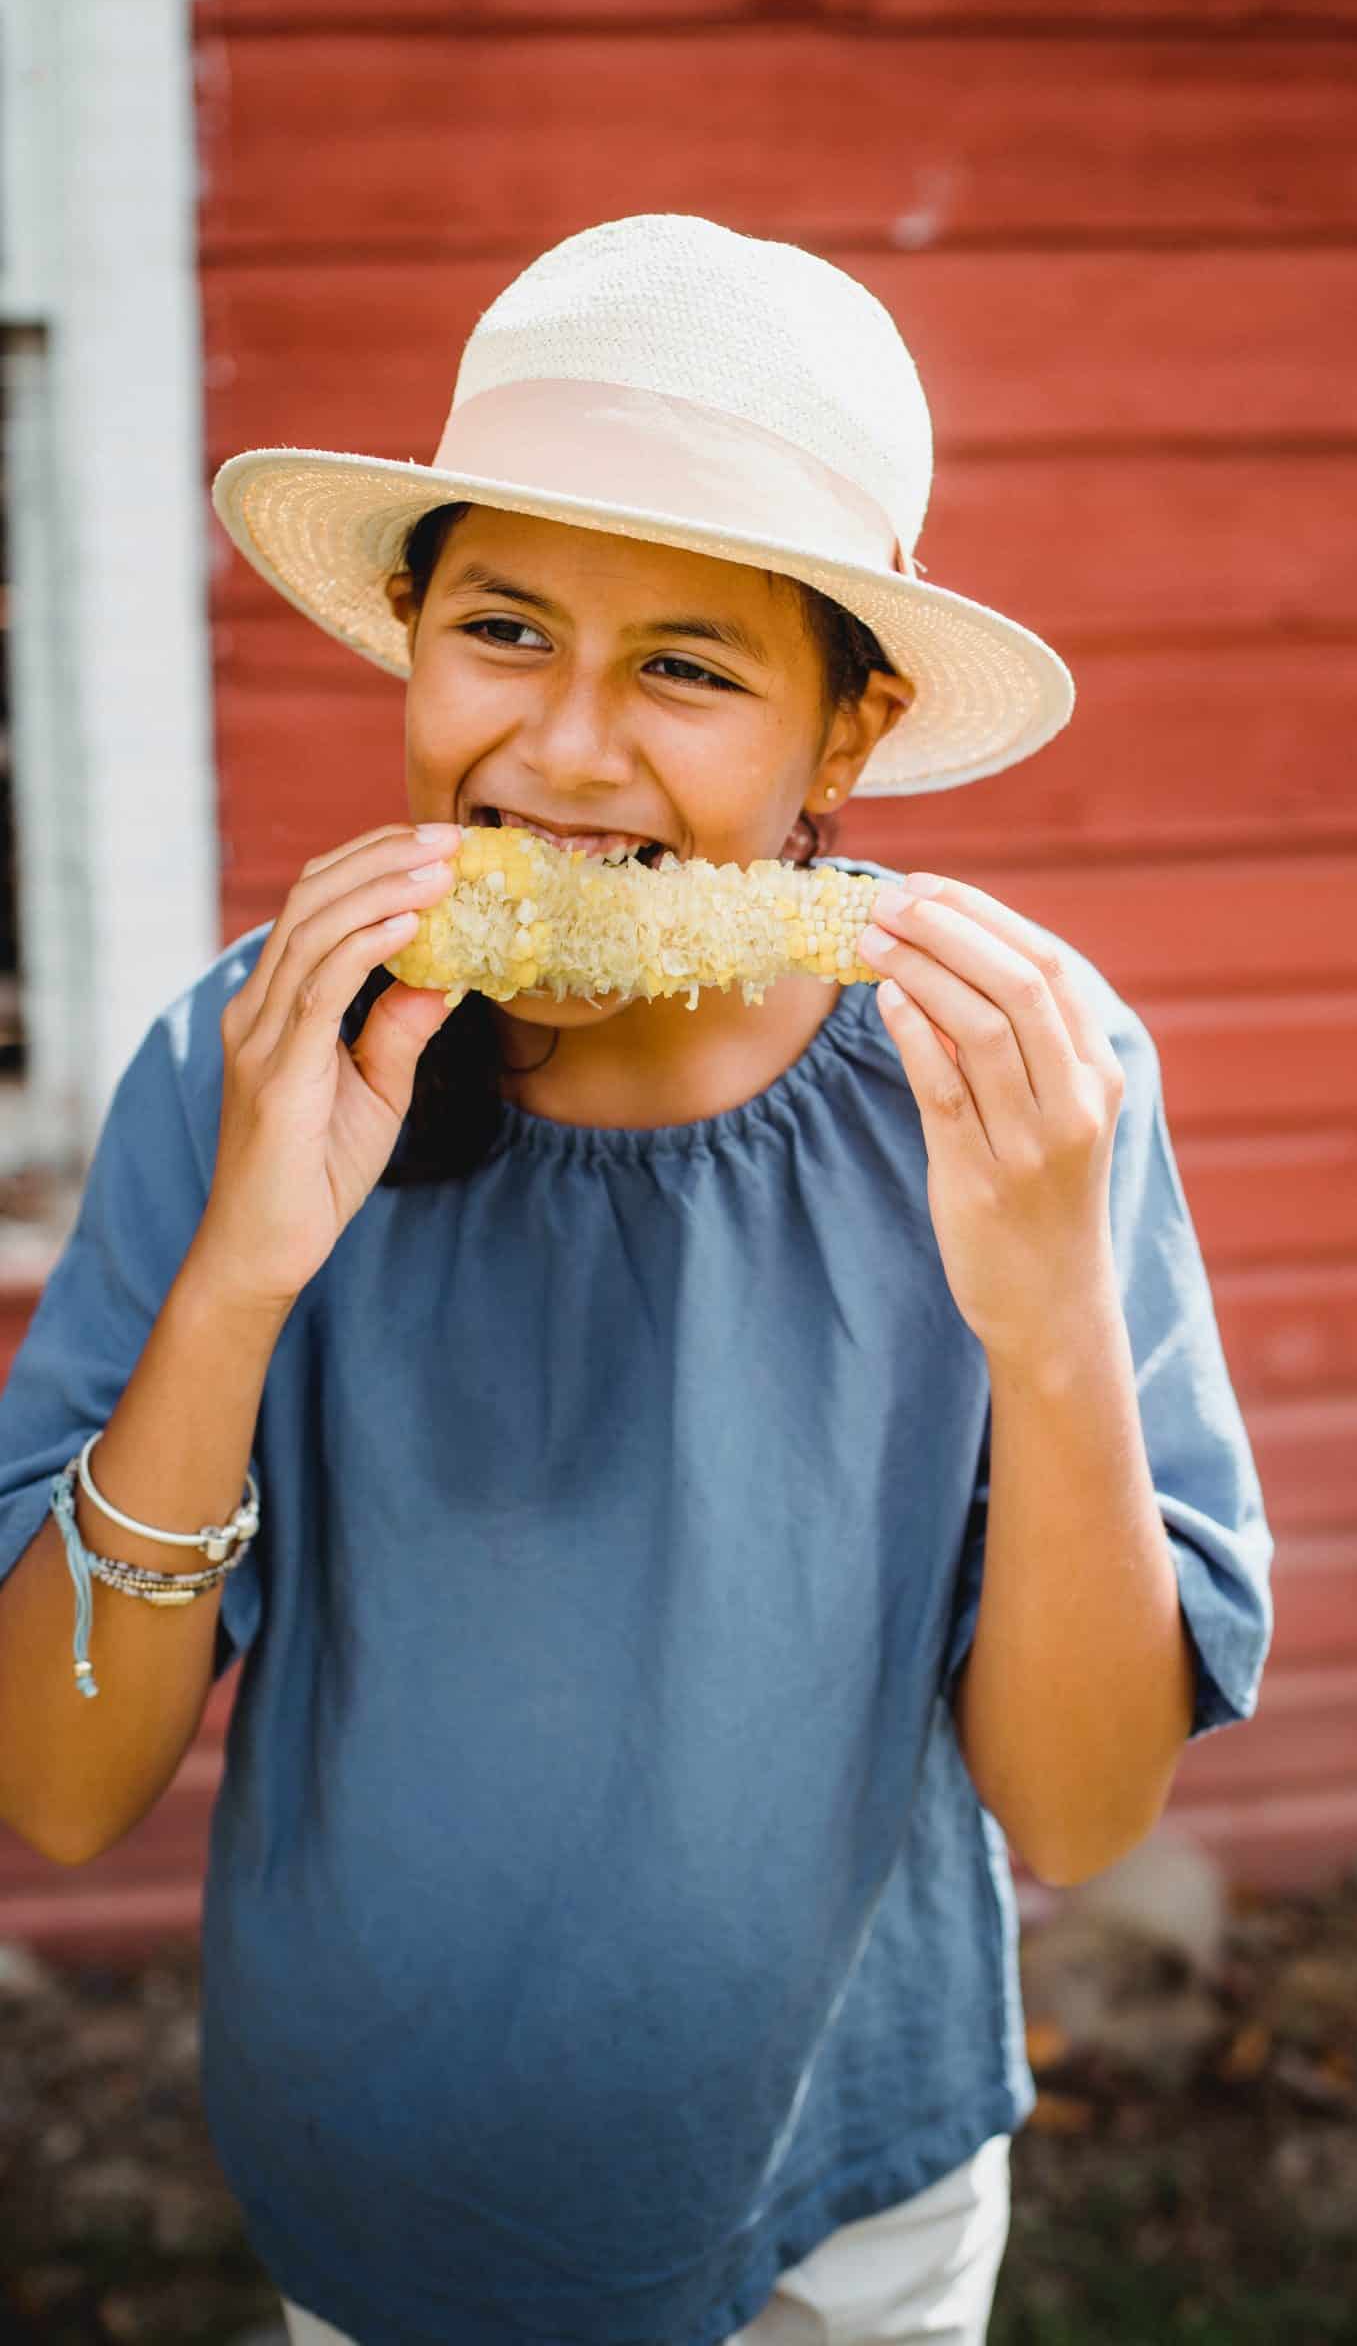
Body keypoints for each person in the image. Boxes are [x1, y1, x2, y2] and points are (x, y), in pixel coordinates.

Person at [0, 214, 1274, 2346]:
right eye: (502, 628)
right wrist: (240, 1271)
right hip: (389, 2179)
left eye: (686, 665)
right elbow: (55, 1781)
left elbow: (1074, 1808)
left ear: (840, 737)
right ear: (406, 634)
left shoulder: (1017, 1082)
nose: (567, 751)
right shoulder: (241, 1058)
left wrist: (1048, 1317)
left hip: (842, 2193)